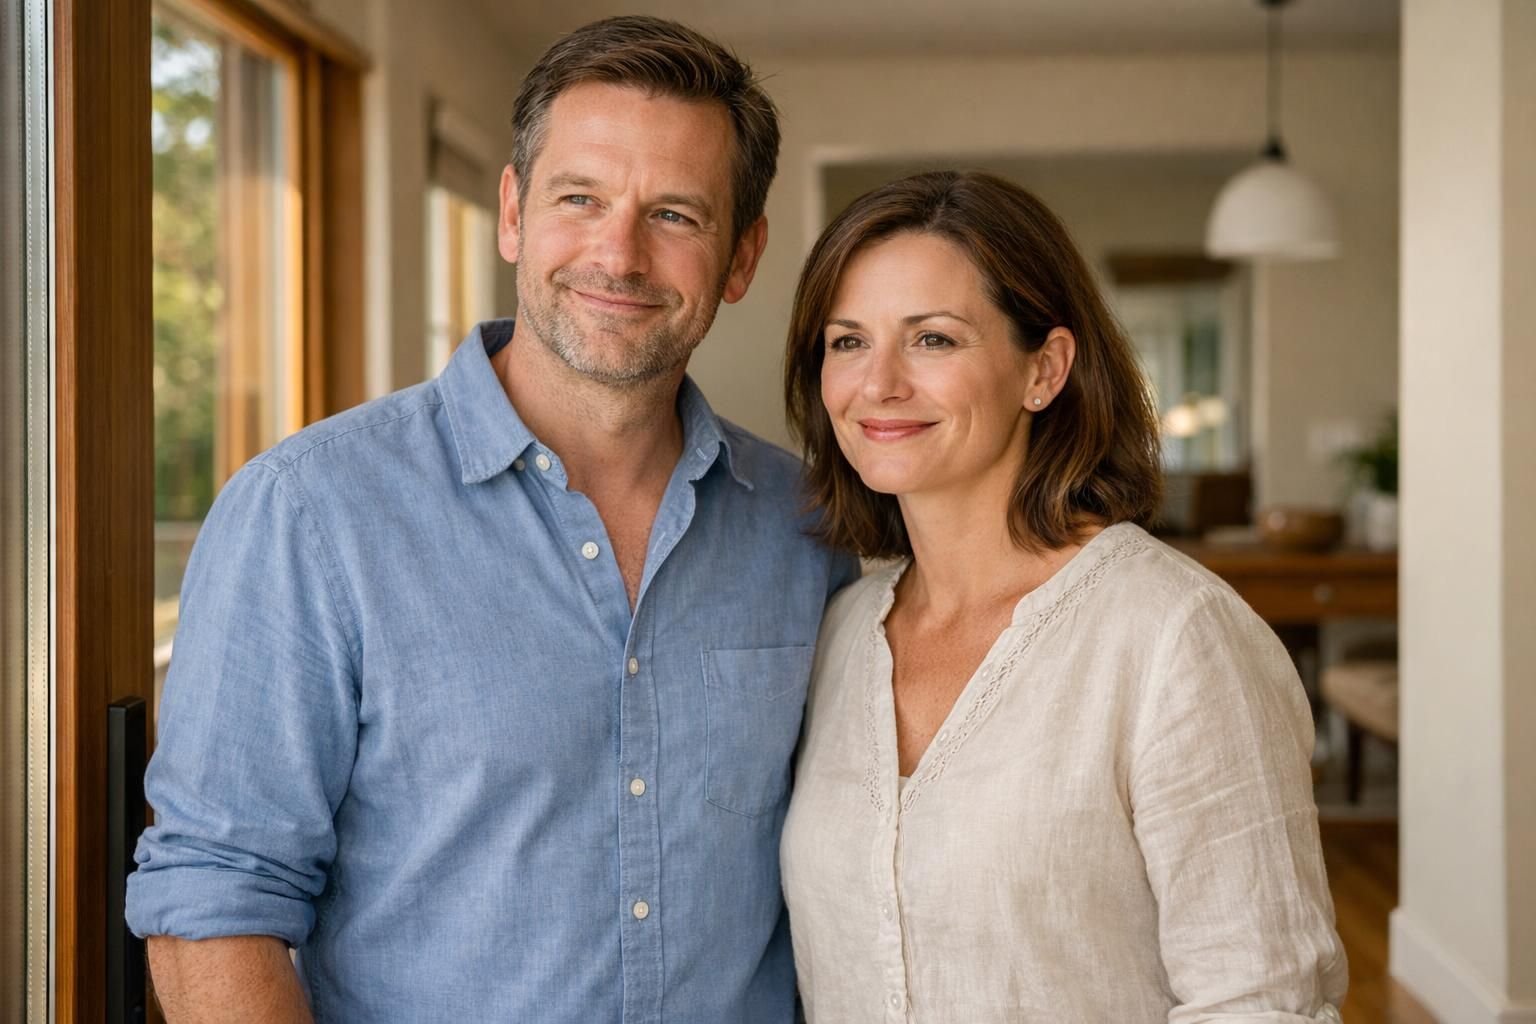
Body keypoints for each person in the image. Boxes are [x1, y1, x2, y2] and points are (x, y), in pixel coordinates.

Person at [128, 16, 857, 1023]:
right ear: (513, 212)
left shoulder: (807, 524)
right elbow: (214, 897)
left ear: (741, 256)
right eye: (579, 198)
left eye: (677, 214)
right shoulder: (310, 514)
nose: (620, 251)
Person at [779, 170, 1348, 1023]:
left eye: (933, 339)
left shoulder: (1171, 637)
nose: (879, 383)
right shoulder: (838, 633)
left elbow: (1263, 1000)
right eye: (847, 341)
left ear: (1043, 369)